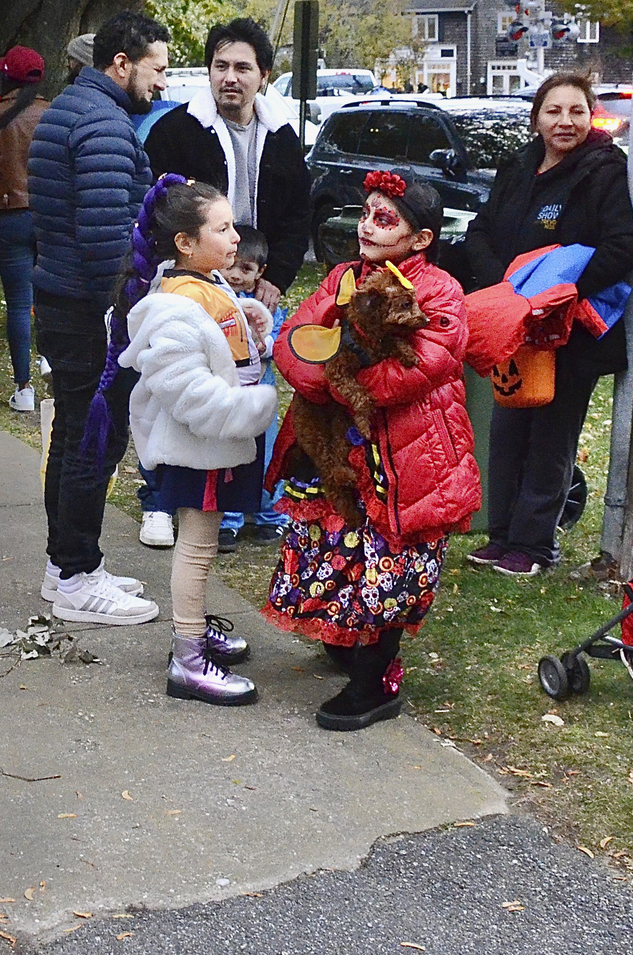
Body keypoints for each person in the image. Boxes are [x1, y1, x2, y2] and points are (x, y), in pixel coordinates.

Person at [265, 170, 480, 730]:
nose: (366, 225)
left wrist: (337, 379)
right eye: (365, 213)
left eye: (385, 219)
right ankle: (345, 636)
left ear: (421, 239)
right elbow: (295, 339)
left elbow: (422, 368)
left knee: (389, 554)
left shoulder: (439, 292)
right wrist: (321, 376)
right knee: (337, 541)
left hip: (406, 451)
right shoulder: (340, 276)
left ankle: (376, 677)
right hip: (336, 443)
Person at [461, 72, 633, 576]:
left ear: (591, 117)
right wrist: (507, 291)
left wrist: (557, 294)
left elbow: (622, 248)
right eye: (553, 111)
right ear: (537, 118)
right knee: (507, 427)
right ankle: (502, 536)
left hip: (566, 331)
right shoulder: (517, 168)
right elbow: (480, 232)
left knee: (551, 437)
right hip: (512, 327)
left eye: (576, 111)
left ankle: (536, 545)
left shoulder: (603, 172)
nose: (565, 122)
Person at [109, 175, 275, 704]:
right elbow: (187, 390)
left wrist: (252, 327)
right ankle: (188, 657)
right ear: (185, 242)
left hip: (217, 443)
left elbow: (222, 350)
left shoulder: (205, 284)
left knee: (202, 547)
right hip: (201, 444)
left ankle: (196, 631)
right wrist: (251, 408)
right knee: (198, 547)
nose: (234, 240)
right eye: (222, 229)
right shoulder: (176, 305)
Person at [27, 11, 169, 624]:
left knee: (72, 435)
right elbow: (108, 238)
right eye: (157, 69)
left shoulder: (71, 106)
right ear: (122, 64)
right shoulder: (105, 124)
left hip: (63, 300)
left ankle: (67, 567)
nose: (162, 83)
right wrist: (127, 315)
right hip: (92, 309)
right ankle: (79, 577)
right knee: (93, 439)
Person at [143, 18, 311, 310]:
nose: (229, 78)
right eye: (221, 66)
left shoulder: (282, 137)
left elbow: (297, 215)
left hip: (256, 284)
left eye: (242, 68)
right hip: (189, 287)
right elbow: (159, 212)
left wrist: (276, 277)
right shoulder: (173, 132)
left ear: (264, 76)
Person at [0, 44, 50, 413]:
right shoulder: (56, 115)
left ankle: (23, 389)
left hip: (9, 215)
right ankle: (51, 361)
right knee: (49, 297)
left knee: (18, 303)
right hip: (49, 216)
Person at [217, 225, 287, 550]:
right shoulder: (213, 299)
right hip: (226, 395)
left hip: (261, 395)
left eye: (245, 269)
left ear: (261, 273)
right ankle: (227, 521)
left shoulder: (268, 307)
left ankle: (271, 515)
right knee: (229, 457)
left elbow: (281, 340)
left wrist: (265, 343)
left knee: (267, 454)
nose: (235, 275)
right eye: (230, 265)